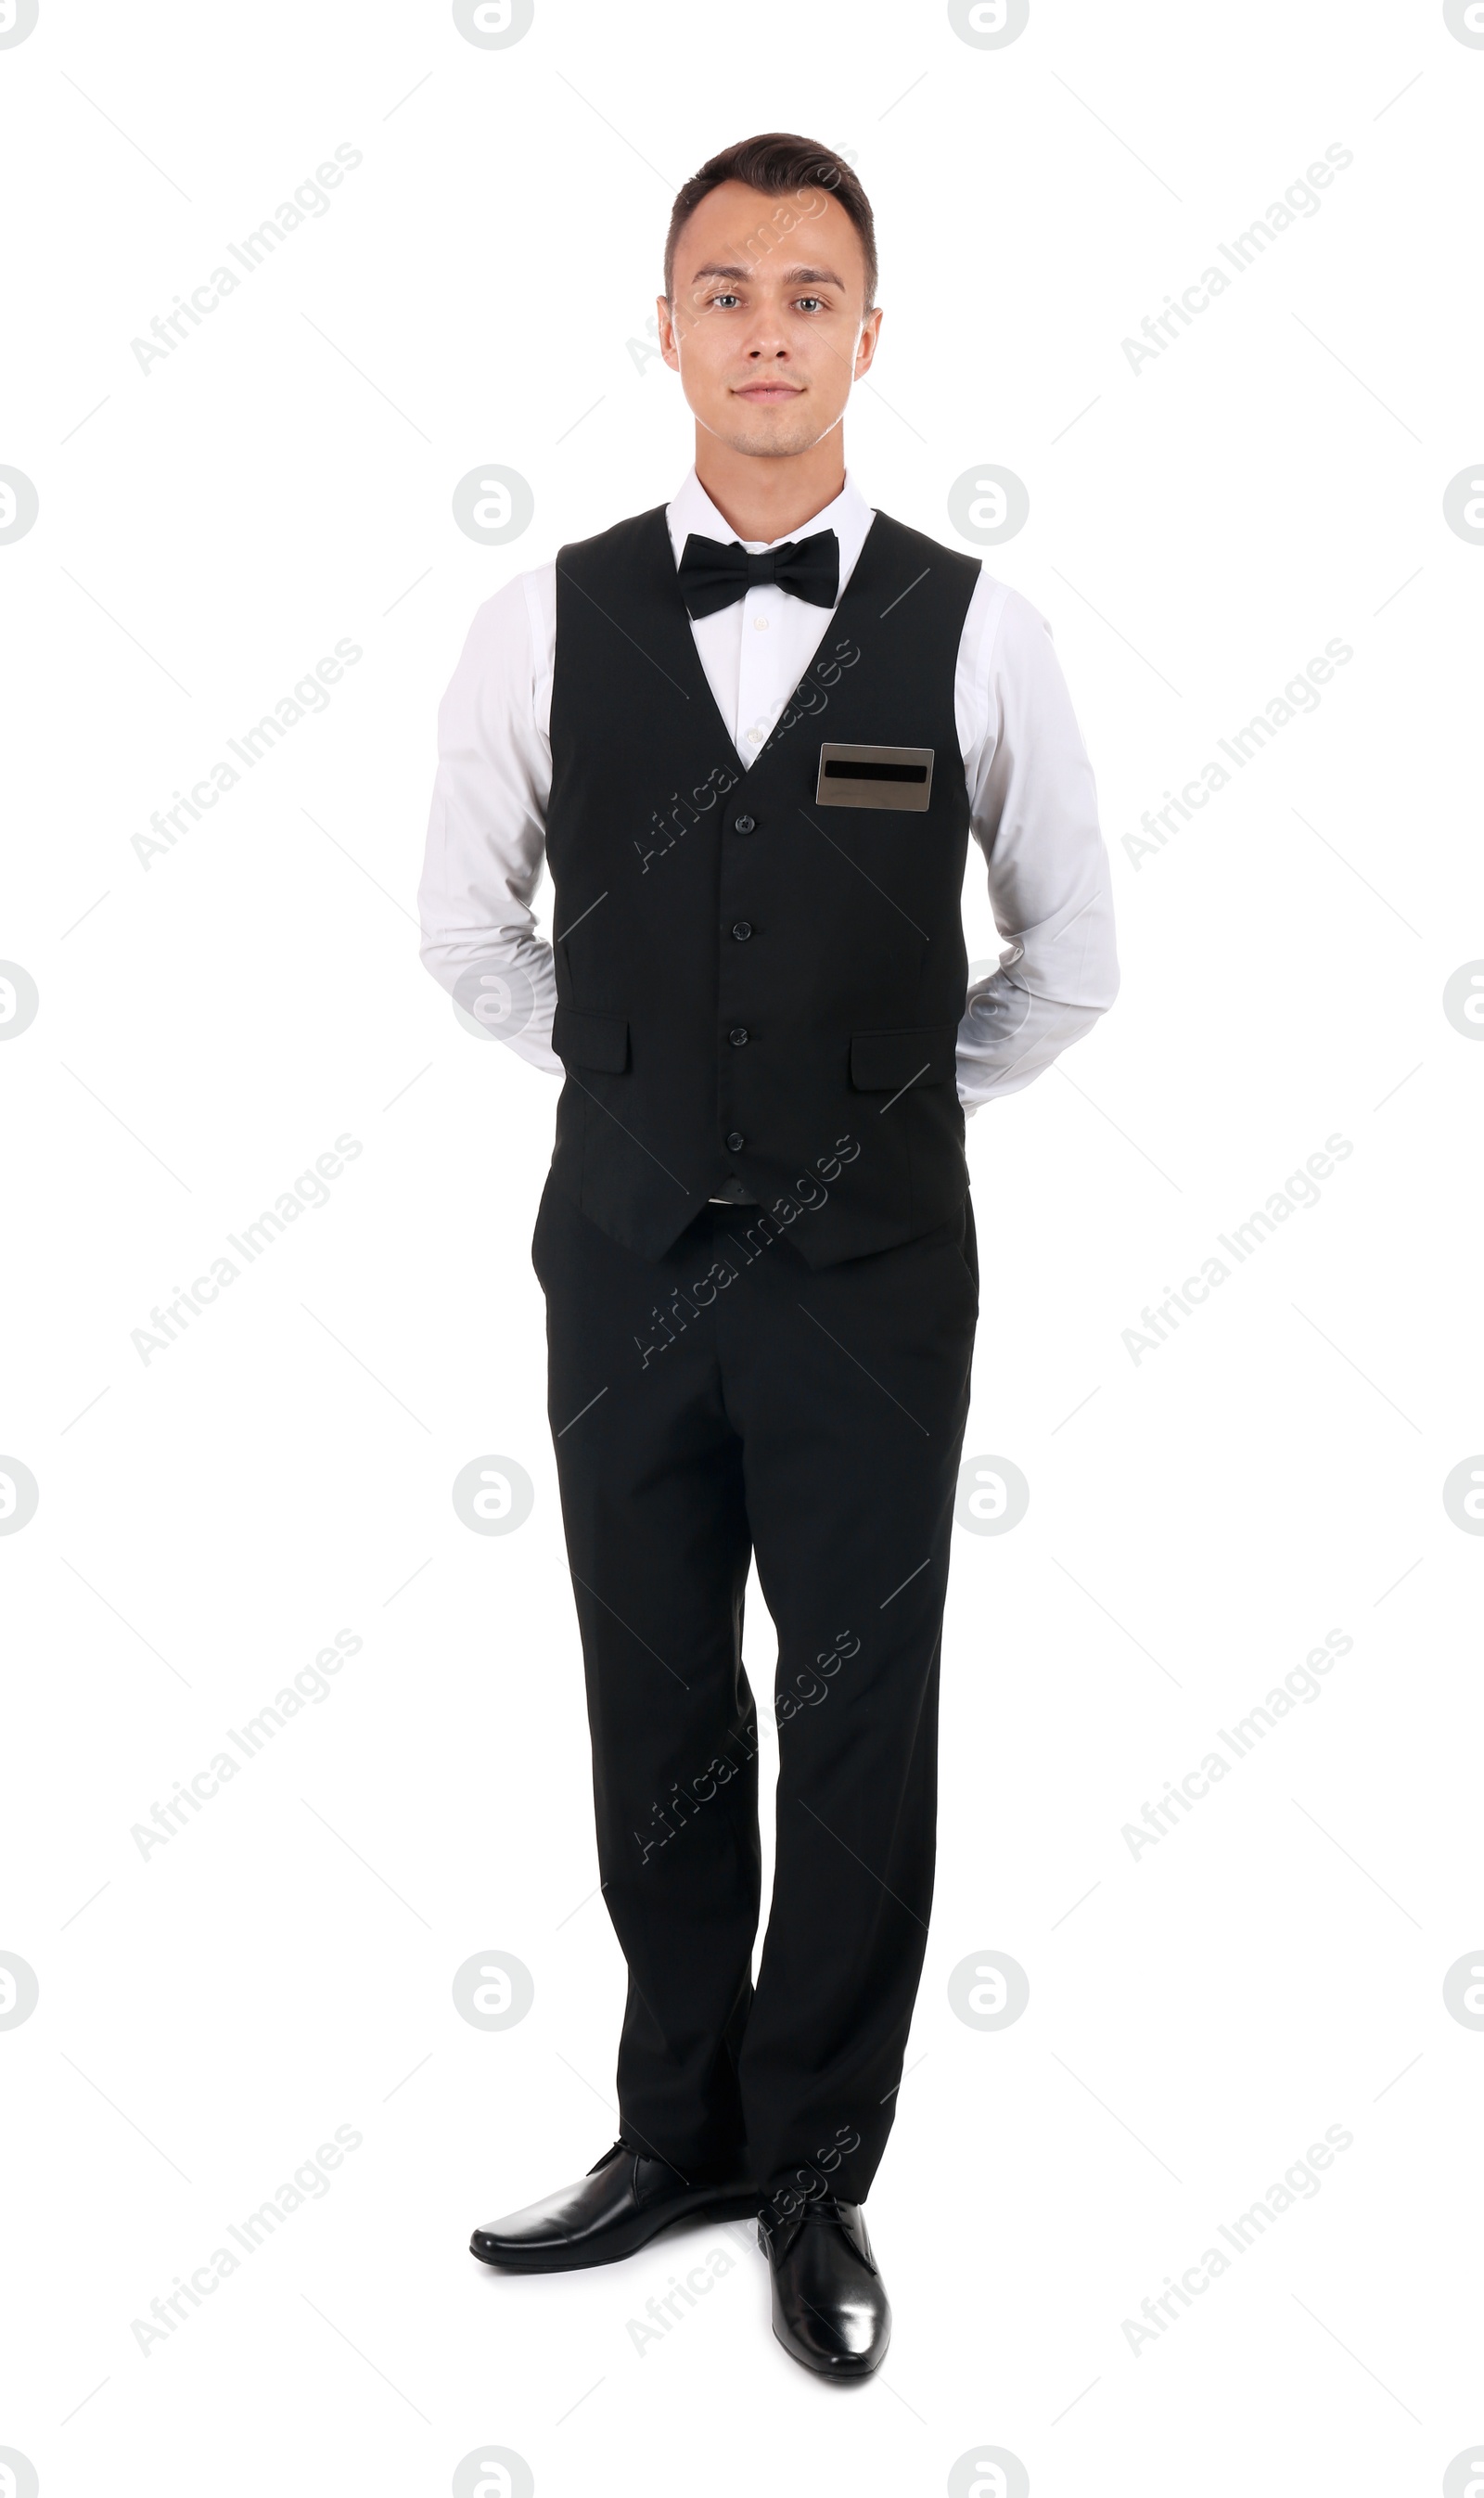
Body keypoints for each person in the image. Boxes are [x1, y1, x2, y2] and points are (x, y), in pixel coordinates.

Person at [417, 131, 1119, 2378]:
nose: (764, 332)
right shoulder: (542, 616)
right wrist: (631, 1090)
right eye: (723, 291)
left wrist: (880, 1121)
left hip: (875, 1288)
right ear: (664, 326)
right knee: (654, 1707)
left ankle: (814, 2170)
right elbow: (461, 931)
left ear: (867, 339)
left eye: (807, 296)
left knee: (851, 1717)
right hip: (620, 1263)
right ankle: (673, 2135)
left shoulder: (974, 624)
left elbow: (1071, 960)